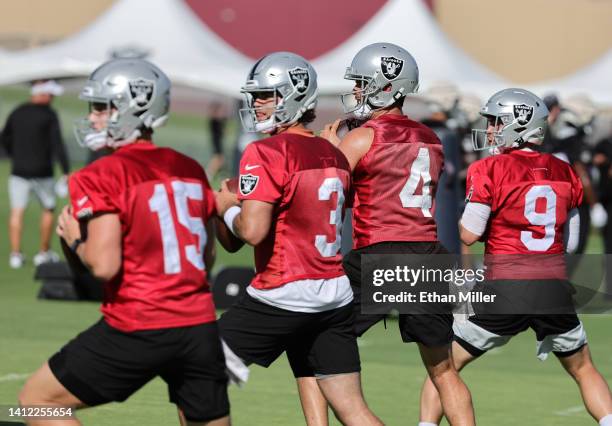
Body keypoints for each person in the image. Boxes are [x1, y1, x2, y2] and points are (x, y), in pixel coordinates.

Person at [19, 59, 230, 426]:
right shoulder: (191, 168)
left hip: (138, 322)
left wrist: (74, 240)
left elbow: (104, 265)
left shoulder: (100, 174)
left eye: (102, 107)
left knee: (36, 402)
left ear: (135, 108)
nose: (94, 117)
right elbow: (206, 256)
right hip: (199, 325)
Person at [419, 88, 612, 426]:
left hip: (505, 286)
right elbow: (572, 242)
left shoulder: (490, 168)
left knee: (444, 367)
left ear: (517, 124)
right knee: (583, 368)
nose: (490, 129)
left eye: (495, 122)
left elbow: (468, 233)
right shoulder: (564, 170)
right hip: (552, 287)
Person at [215, 51, 382, 426]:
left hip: (284, 290)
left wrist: (225, 206)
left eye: (266, 96)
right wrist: (226, 214)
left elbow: (252, 232)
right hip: (333, 294)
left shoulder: (266, 152)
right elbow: (241, 236)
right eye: (255, 96)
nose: (256, 104)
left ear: (294, 95)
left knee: (194, 375)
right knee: (353, 411)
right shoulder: (333, 153)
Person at [318, 42, 475, 426]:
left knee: (317, 346)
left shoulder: (361, 138)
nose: (356, 91)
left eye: (361, 83)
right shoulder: (432, 140)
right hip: (427, 253)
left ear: (385, 86)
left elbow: (330, 196)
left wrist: (328, 150)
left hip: (379, 255)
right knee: (443, 370)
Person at [1, 79, 69, 268]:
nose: (52, 98)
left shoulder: (18, 112)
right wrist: (65, 170)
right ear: (43, 94)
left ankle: (15, 255)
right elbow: (58, 144)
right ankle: (43, 252)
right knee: (48, 209)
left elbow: (4, 138)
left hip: (19, 171)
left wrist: (14, 154)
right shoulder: (50, 115)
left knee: (17, 211)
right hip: (43, 172)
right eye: (51, 94)